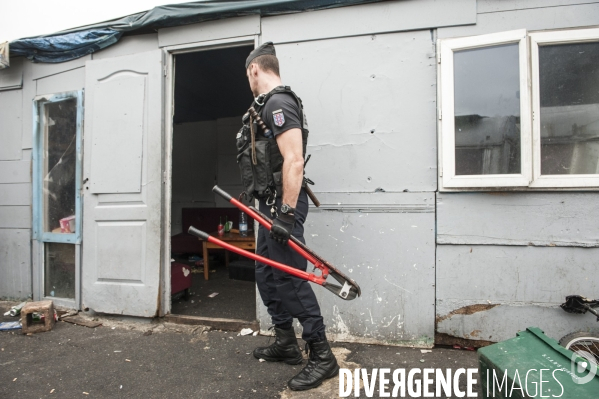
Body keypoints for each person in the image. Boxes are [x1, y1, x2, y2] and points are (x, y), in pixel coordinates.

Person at [242, 42, 339, 391]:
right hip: (269, 206)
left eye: (248, 75)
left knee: (290, 279)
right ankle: (285, 343)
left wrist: (284, 213)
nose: (249, 82)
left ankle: (323, 356)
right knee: (266, 274)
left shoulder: (279, 103)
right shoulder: (266, 105)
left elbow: (294, 159)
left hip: (283, 206)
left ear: (255, 69)